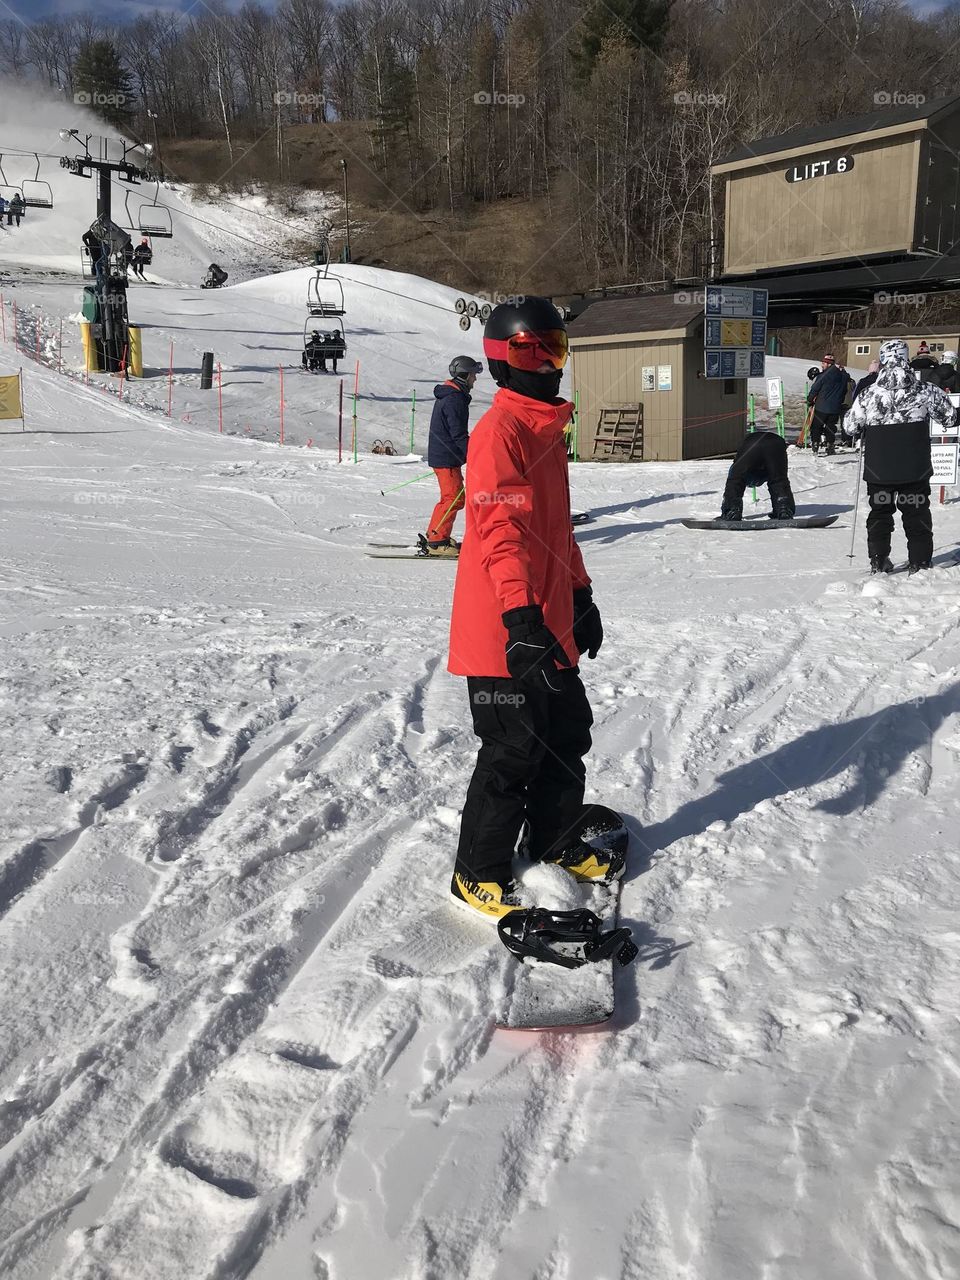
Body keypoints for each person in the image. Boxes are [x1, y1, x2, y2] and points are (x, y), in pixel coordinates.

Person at [448, 298, 615, 922]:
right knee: (512, 749)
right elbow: (501, 534)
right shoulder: (500, 433)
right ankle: (477, 871)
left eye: (555, 348)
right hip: (507, 628)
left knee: (566, 733)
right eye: (530, 351)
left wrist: (580, 593)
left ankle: (552, 838)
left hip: (549, 620)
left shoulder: (545, 429)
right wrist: (520, 620)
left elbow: (555, 531)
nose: (547, 364)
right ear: (501, 361)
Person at [845, 338, 957, 574]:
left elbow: (850, 427)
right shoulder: (925, 389)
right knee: (916, 513)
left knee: (880, 513)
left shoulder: (868, 394)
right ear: (906, 358)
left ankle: (879, 560)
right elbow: (949, 418)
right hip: (914, 467)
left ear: (883, 359)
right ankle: (920, 562)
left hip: (879, 469)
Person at [424, 354, 483, 553]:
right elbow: (458, 433)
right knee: (453, 498)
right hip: (445, 458)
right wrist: (473, 456)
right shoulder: (454, 398)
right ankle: (437, 541)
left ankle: (436, 535)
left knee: (452, 497)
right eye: (473, 374)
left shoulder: (453, 395)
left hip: (446, 456)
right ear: (465, 375)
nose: (475, 378)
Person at [720, 429, 796, 520]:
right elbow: (778, 481)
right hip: (776, 443)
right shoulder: (766, 470)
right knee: (778, 479)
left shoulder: (737, 468)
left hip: (752, 444)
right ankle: (784, 509)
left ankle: (732, 511)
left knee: (735, 478)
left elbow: (735, 480)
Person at [806, 354, 853, 455]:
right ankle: (830, 445)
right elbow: (844, 390)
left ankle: (815, 444)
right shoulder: (843, 376)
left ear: (828, 364)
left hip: (821, 406)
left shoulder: (823, 376)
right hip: (835, 407)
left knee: (816, 426)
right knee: (830, 427)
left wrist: (810, 399)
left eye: (823, 363)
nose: (822, 365)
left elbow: (815, 389)